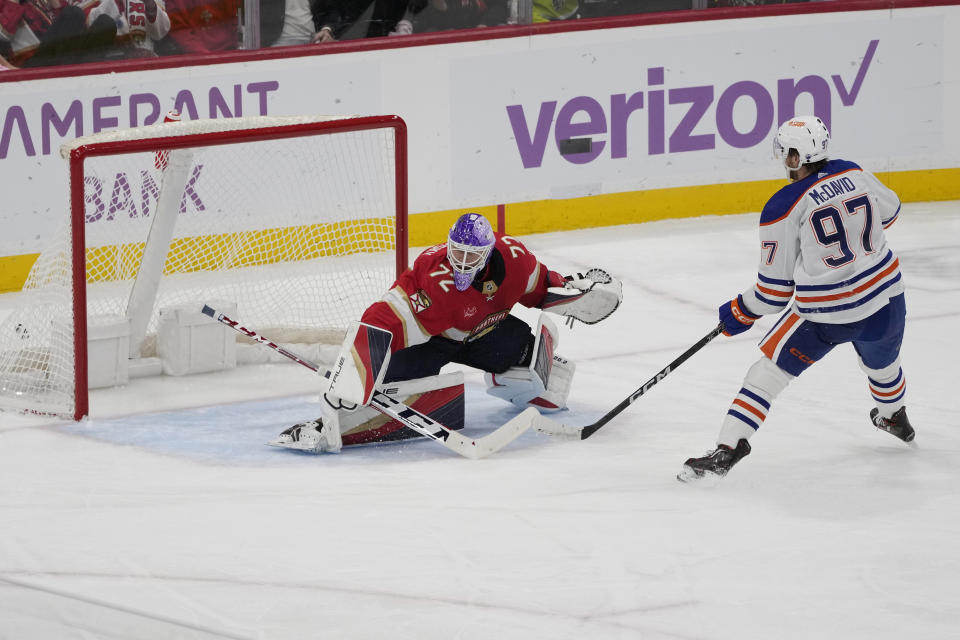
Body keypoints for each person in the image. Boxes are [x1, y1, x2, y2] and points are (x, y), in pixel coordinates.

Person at [678, 115, 914, 482]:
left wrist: (739, 312)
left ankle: (728, 449)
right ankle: (895, 418)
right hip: (886, 299)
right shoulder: (852, 171)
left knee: (765, 375)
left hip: (827, 314)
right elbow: (892, 210)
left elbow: (773, 294)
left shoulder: (783, 206)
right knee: (883, 366)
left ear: (793, 158)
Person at [272, 212, 623, 453]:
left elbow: (541, 287)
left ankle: (517, 381)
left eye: (472, 256)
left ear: (489, 252)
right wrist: (354, 372)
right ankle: (334, 419)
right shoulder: (432, 276)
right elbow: (383, 318)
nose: (462, 261)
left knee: (528, 358)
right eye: (457, 251)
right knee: (391, 387)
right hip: (431, 340)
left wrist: (571, 290)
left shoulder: (516, 260)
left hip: (485, 333)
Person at [85, 0, 171, 57]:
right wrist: (112, 3)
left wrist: (150, 6)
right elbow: (88, 26)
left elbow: (160, 32)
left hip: (145, 58)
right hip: (109, 59)